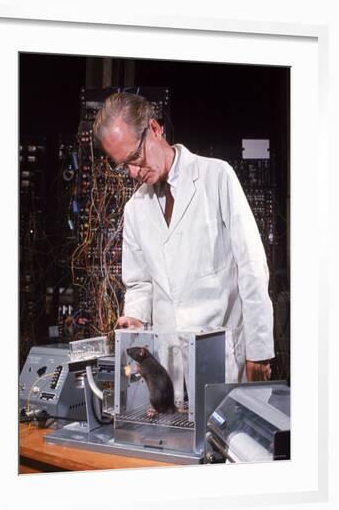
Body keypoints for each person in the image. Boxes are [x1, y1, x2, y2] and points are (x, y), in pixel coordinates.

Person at [93, 92, 274, 404]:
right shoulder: (135, 209)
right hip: (168, 367)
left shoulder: (216, 176)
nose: (134, 173)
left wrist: (259, 349)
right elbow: (140, 283)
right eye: (124, 166)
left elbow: (251, 266)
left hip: (225, 357)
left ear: (154, 128)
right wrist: (134, 317)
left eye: (135, 158)